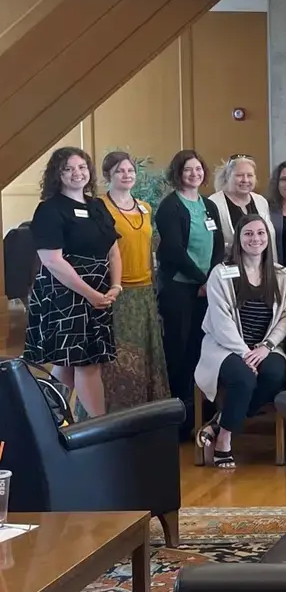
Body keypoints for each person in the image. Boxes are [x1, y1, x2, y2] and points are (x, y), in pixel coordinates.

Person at [24, 147, 122, 418]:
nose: (77, 173)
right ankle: (101, 429)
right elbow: (53, 261)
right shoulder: (49, 209)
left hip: (100, 292)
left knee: (68, 365)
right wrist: (90, 293)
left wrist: (115, 286)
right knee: (86, 362)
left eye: (81, 167)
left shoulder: (97, 205)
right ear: (58, 174)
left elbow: (113, 249)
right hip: (66, 293)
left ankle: (45, 418)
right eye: (68, 168)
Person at [194, 214, 286, 468]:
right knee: (244, 378)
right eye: (248, 234)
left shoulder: (281, 275)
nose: (255, 239)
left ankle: (219, 423)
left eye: (261, 233)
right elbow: (220, 321)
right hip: (225, 347)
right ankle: (225, 439)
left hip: (265, 346)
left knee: (275, 373)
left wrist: (267, 347)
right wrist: (244, 352)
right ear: (238, 239)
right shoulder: (221, 273)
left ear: (268, 238)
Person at [155, 149, 225, 436]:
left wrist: (212, 277)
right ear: (178, 173)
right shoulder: (169, 207)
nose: (194, 174)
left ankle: (201, 411)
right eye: (188, 170)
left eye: (198, 169)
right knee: (180, 348)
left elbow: (219, 241)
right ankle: (178, 416)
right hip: (179, 288)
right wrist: (201, 279)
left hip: (207, 287)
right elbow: (172, 250)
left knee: (202, 347)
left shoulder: (208, 205)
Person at [98, 152, 169, 411]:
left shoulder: (145, 207)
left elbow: (149, 246)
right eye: (120, 171)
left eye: (130, 171)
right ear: (108, 175)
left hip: (144, 288)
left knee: (146, 351)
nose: (127, 175)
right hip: (115, 289)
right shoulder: (99, 206)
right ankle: (114, 411)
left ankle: (146, 411)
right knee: (117, 352)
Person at [208, 154, 275, 250]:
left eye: (250, 175)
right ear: (227, 177)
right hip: (228, 263)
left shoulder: (261, 201)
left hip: (261, 263)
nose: (245, 180)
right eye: (239, 175)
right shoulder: (214, 203)